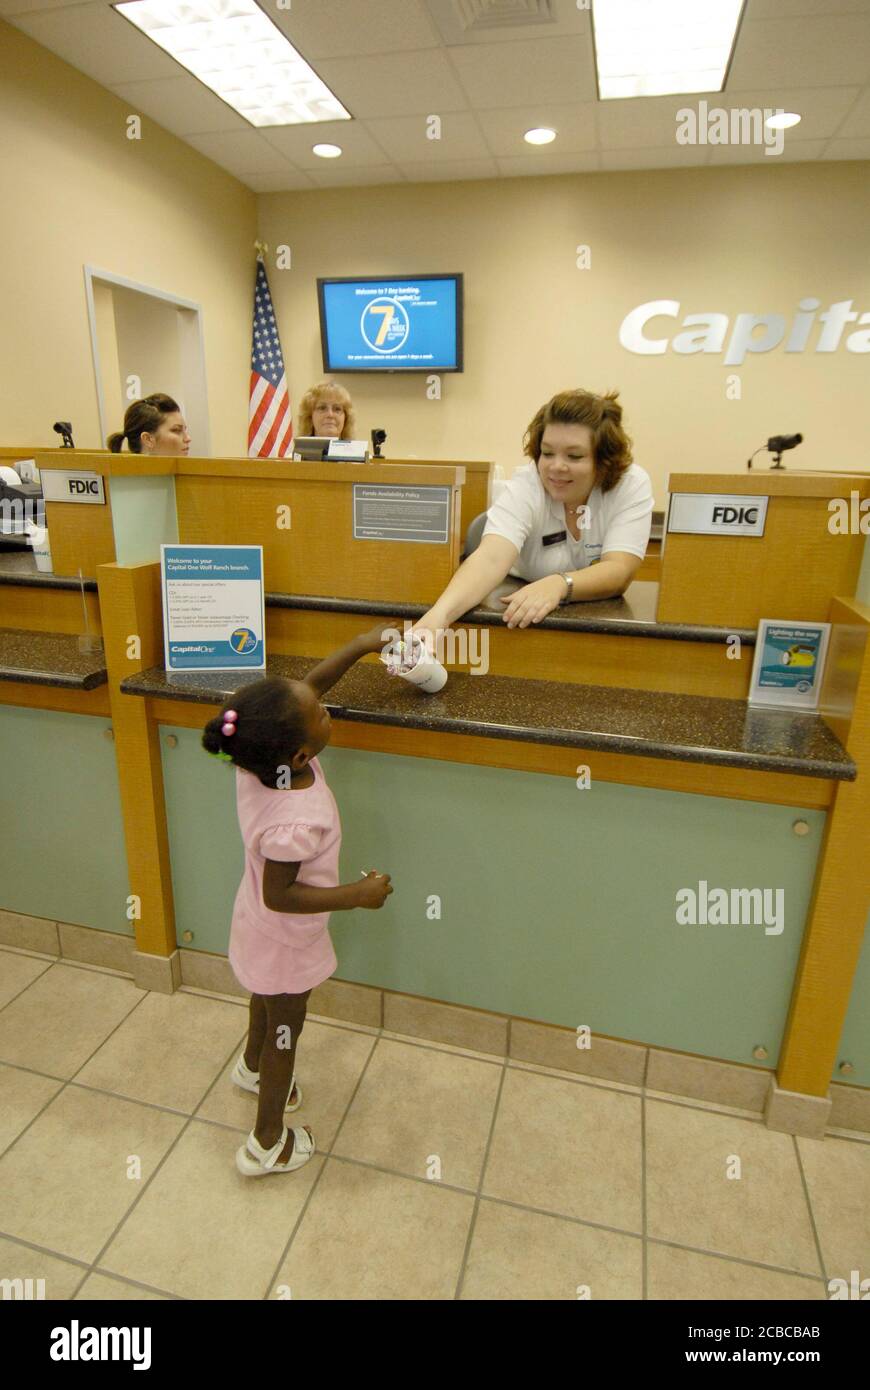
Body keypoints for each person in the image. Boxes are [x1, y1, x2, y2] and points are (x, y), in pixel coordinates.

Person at [202, 626, 394, 1177]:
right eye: (323, 714)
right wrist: (357, 896)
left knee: (264, 1001)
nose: (324, 706)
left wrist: (358, 646)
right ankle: (266, 1143)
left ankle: (250, 1067)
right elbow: (281, 893)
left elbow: (307, 689)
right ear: (303, 750)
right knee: (287, 1029)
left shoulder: (258, 759)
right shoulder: (295, 816)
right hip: (284, 935)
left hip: (256, 927)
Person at [414, 388, 654, 639]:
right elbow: (490, 559)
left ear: (604, 461)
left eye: (574, 456)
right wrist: (438, 618)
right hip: (517, 602)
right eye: (547, 453)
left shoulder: (630, 484)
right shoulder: (527, 484)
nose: (556, 467)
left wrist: (560, 584)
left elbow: (619, 570)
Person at [107, 394, 191, 455]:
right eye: (176, 430)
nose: (188, 438)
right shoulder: (126, 478)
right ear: (148, 439)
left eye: (184, 430)